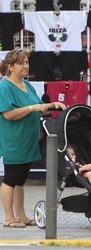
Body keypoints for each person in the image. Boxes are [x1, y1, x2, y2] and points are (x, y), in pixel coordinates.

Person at [0, 49, 66, 228]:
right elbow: (8, 114)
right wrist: (31, 108)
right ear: (11, 66)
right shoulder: (5, 87)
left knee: (21, 179)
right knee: (10, 178)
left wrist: (53, 105)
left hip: (29, 140)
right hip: (14, 140)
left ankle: (20, 215)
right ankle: (8, 217)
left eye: (27, 62)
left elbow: (39, 106)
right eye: (22, 63)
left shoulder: (26, 85)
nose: (26, 66)